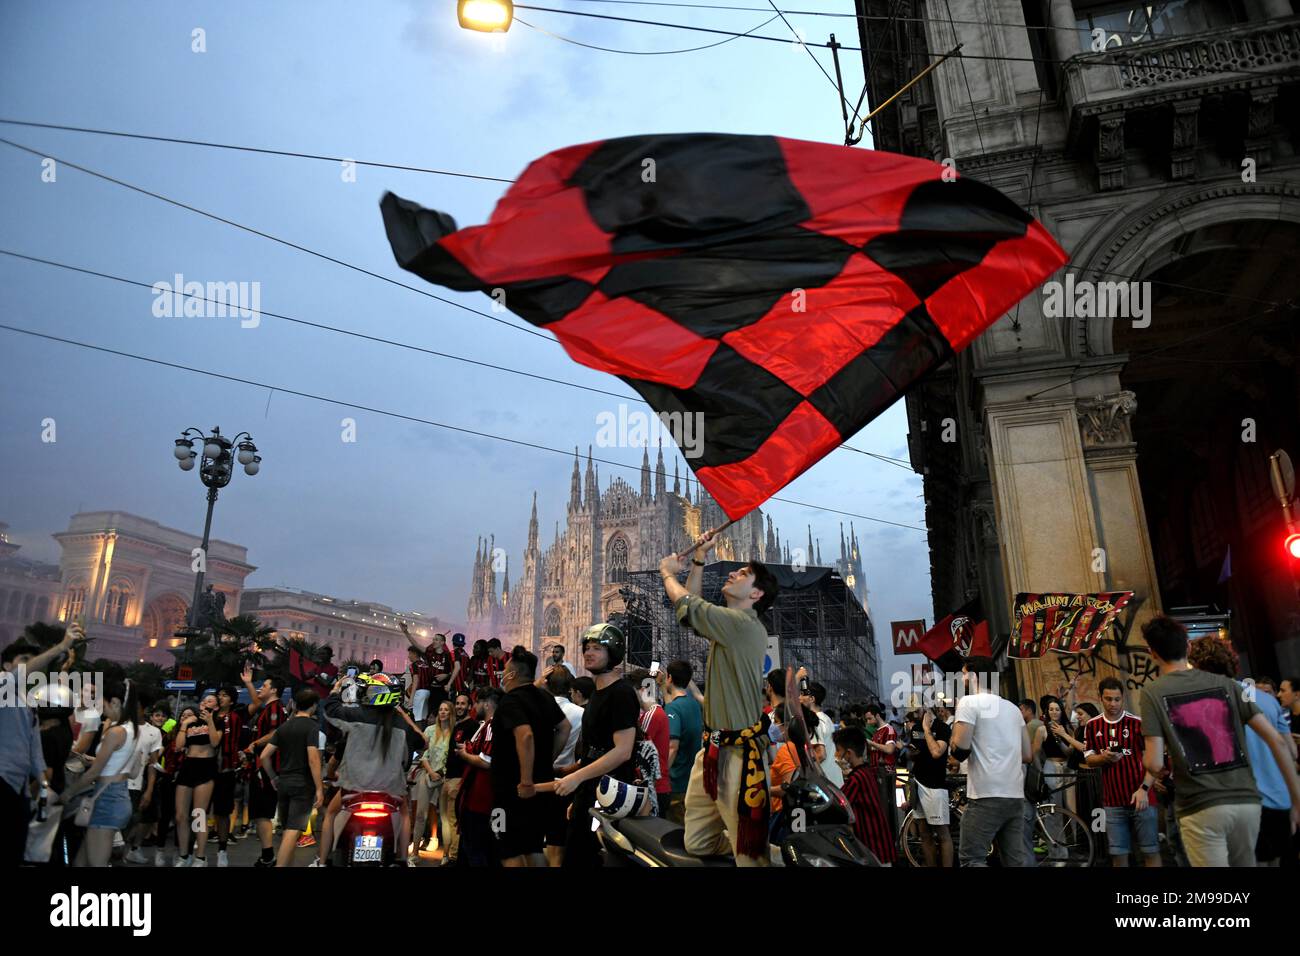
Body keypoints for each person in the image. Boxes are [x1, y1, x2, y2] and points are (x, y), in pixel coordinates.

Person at [1139, 615, 1300, 867]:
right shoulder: (1229, 685)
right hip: (1248, 801)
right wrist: (1296, 801)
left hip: (1200, 804)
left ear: (1152, 653)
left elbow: (1155, 762)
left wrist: (1152, 763)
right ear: (1187, 647)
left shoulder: (1152, 692)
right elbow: (1279, 742)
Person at [659, 534, 778, 865]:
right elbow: (691, 613)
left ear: (756, 594)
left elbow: (688, 604)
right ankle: (759, 851)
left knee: (750, 857)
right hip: (712, 753)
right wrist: (698, 560)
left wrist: (668, 573)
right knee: (697, 842)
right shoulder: (729, 626)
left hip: (740, 760)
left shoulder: (742, 624)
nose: (731, 573)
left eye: (742, 573)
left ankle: (762, 854)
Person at [1185, 637, 1297, 866]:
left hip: (1237, 802)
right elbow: (1291, 751)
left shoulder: (1203, 703)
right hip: (1278, 800)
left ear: (1197, 666)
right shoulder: (1266, 699)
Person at [554, 623, 640, 868]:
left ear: (612, 653)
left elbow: (622, 751)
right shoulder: (597, 695)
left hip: (609, 796)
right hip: (589, 793)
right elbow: (593, 752)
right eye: (587, 648)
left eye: (597, 648)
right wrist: (579, 797)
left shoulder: (621, 693)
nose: (589, 653)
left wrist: (576, 778)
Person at [950, 656, 1031, 867]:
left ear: (975, 676)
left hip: (986, 794)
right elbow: (1027, 755)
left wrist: (954, 735)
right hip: (1014, 794)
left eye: (965, 673)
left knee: (972, 859)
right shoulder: (1013, 709)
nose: (963, 678)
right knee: (1015, 861)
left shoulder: (968, 702)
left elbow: (960, 750)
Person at [323, 673, 413, 862]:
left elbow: (331, 710)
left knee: (330, 813)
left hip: (355, 786)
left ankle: (321, 861)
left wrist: (335, 690)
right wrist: (401, 711)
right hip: (391, 790)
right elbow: (422, 741)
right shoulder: (400, 723)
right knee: (405, 815)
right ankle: (404, 860)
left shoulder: (357, 715)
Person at [492, 647, 569, 866]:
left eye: (505, 670)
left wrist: (526, 780)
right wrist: (546, 759)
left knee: (508, 851)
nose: (502, 675)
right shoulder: (544, 697)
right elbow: (564, 727)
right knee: (532, 846)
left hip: (513, 790)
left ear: (513, 674)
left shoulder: (511, 701)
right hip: (540, 788)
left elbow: (524, 735)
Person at [57, 678, 140, 867]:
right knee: (81, 863)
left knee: (96, 863)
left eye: (102, 702)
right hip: (116, 795)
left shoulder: (115, 732)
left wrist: (67, 794)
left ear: (115, 702)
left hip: (107, 800)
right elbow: (134, 771)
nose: (99, 707)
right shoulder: (133, 730)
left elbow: (93, 773)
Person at [1083, 677, 1159, 867]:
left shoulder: (1137, 723)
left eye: (1117, 699)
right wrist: (1104, 758)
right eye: (1108, 699)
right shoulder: (1092, 726)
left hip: (1142, 798)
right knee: (1118, 855)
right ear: (1100, 698)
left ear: (1123, 698)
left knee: (1151, 851)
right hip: (1112, 802)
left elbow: (1152, 761)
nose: (1113, 704)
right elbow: (1089, 759)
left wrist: (1144, 788)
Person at [260, 688, 324, 868]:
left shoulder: (284, 727)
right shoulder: (312, 727)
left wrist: (273, 777)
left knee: (287, 831)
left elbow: (264, 756)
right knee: (292, 831)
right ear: (313, 706)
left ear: (295, 705)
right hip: (302, 785)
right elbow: (313, 759)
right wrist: (319, 788)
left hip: (284, 782)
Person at [538, 665, 583, 866]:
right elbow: (582, 750)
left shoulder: (536, 707)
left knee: (531, 847)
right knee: (557, 849)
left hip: (537, 781)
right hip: (566, 783)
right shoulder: (580, 713)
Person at [242, 667, 287, 866]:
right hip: (259, 768)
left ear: (274, 690)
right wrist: (249, 683)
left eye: (265, 685)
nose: (262, 688)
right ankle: (266, 854)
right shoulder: (267, 708)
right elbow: (257, 700)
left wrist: (255, 743)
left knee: (263, 813)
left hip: (267, 770)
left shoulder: (276, 708)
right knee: (260, 813)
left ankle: (268, 856)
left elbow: (276, 732)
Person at [834, 726, 897, 865]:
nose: (836, 754)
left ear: (849, 753)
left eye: (838, 750)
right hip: (880, 845)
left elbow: (838, 803)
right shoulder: (865, 772)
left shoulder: (856, 779)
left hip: (872, 847)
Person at [172, 692, 222, 867]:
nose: (204, 702)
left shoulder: (218, 720)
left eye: (209, 701)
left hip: (206, 767)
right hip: (188, 767)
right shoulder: (191, 721)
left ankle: (200, 856)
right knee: (180, 816)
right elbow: (178, 746)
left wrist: (209, 721)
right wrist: (184, 724)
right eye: (203, 700)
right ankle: (183, 855)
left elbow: (215, 743)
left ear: (216, 707)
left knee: (199, 815)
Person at [455, 689, 501, 867]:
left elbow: (486, 761)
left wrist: (464, 754)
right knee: (486, 849)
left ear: (487, 703)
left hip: (481, 803)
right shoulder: (488, 725)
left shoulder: (492, 725)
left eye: (476, 703)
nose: (474, 707)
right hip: (487, 802)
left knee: (477, 850)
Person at [906, 706, 953, 866]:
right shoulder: (916, 728)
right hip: (918, 782)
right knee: (924, 832)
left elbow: (937, 752)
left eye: (919, 710)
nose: (916, 713)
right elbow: (913, 753)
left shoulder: (943, 728)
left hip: (935, 784)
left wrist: (927, 729)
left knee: (942, 833)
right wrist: (911, 752)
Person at [661, 659, 703, 824]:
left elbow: (672, 746)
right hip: (691, 780)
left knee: (675, 831)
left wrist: (661, 774)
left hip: (675, 782)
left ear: (669, 678)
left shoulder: (673, 708)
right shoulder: (694, 704)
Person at [410, 699, 453, 860]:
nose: (442, 712)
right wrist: (431, 772)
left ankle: (446, 855)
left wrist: (441, 774)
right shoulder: (429, 730)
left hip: (445, 777)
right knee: (421, 814)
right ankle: (414, 853)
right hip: (428, 775)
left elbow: (451, 757)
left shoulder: (454, 732)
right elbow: (424, 756)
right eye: (441, 709)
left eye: (446, 710)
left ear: (451, 713)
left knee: (444, 816)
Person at [123, 705, 165, 865]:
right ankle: (118, 851)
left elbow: (152, 763)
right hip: (122, 782)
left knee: (146, 817)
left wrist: (149, 790)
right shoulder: (120, 728)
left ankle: (134, 849)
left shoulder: (154, 732)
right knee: (125, 819)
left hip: (144, 781)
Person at [441, 691, 479, 865]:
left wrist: (462, 782)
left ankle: (454, 857)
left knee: (454, 820)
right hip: (447, 779)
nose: (459, 706)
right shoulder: (456, 726)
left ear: (470, 707)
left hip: (458, 780)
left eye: (463, 704)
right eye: (457, 703)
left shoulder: (473, 726)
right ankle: (447, 855)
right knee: (446, 820)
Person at [629, 667, 672, 817]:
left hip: (654, 788)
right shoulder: (656, 713)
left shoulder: (651, 715)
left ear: (641, 690)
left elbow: (638, 753)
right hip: (658, 786)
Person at [211, 685, 244, 865]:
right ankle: (194, 847)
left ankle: (222, 850)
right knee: (199, 810)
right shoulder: (208, 716)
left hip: (225, 771)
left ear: (231, 700)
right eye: (218, 695)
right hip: (204, 770)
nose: (220, 697)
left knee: (222, 812)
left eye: (224, 695)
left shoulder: (234, 718)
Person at [797, 673, 845, 786]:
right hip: (834, 780)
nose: (799, 698)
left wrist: (804, 773)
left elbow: (821, 754)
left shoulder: (815, 721)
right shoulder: (826, 718)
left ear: (812, 699)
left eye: (802, 695)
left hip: (824, 782)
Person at [863, 702, 898, 773]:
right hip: (876, 772)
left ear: (877, 715)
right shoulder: (876, 731)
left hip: (887, 772)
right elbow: (875, 749)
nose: (868, 722)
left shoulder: (889, 729)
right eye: (866, 720)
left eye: (870, 718)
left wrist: (871, 743)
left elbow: (889, 749)